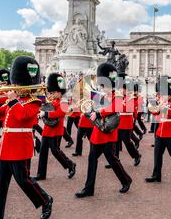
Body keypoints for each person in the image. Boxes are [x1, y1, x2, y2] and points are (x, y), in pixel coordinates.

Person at [0, 56, 53, 219]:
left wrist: (13, 100)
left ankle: (45, 199)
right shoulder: (15, 101)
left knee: (23, 180)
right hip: (5, 148)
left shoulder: (35, 101)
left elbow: (23, 116)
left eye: (17, 85)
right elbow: (0, 114)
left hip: (20, 147)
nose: (14, 87)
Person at [75, 63, 132, 198]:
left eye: (104, 85)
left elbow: (115, 108)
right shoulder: (102, 95)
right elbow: (95, 108)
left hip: (108, 133)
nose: (103, 88)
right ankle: (89, 188)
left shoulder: (117, 95)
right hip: (97, 133)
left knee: (112, 160)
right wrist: (88, 111)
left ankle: (126, 180)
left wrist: (99, 114)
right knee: (92, 160)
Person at [36, 73, 76, 180]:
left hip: (56, 130)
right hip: (47, 129)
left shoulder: (63, 101)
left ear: (59, 92)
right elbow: (47, 108)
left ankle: (70, 164)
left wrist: (46, 114)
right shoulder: (53, 100)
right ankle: (41, 174)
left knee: (55, 151)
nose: (52, 93)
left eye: (54, 92)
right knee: (43, 151)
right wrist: (41, 112)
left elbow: (60, 113)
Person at [115, 74, 141, 166]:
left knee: (127, 142)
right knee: (116, 142)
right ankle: (115, 160)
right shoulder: (118, 97)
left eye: (122, 89)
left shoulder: (131, 97)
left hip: (126, 122)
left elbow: (128, 109)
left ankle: (136, 155)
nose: (121, 91)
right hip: (118, 122)